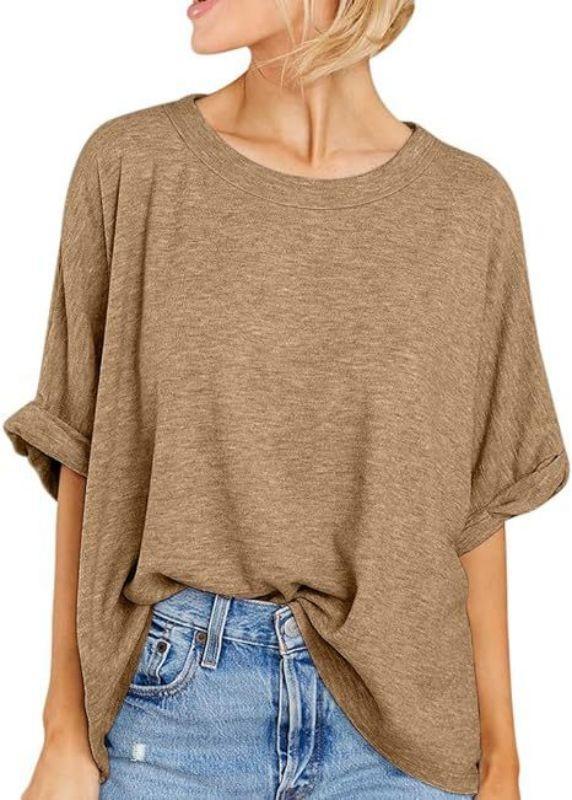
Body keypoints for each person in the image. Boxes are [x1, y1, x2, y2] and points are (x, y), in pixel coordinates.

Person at [5, 1, 568, 799]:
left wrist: (504, 763)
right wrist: (63, 732)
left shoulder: (467, 208)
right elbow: (82, 454)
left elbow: (479, 506)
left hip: (404, 738)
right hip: (173, 720)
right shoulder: (134, 166)